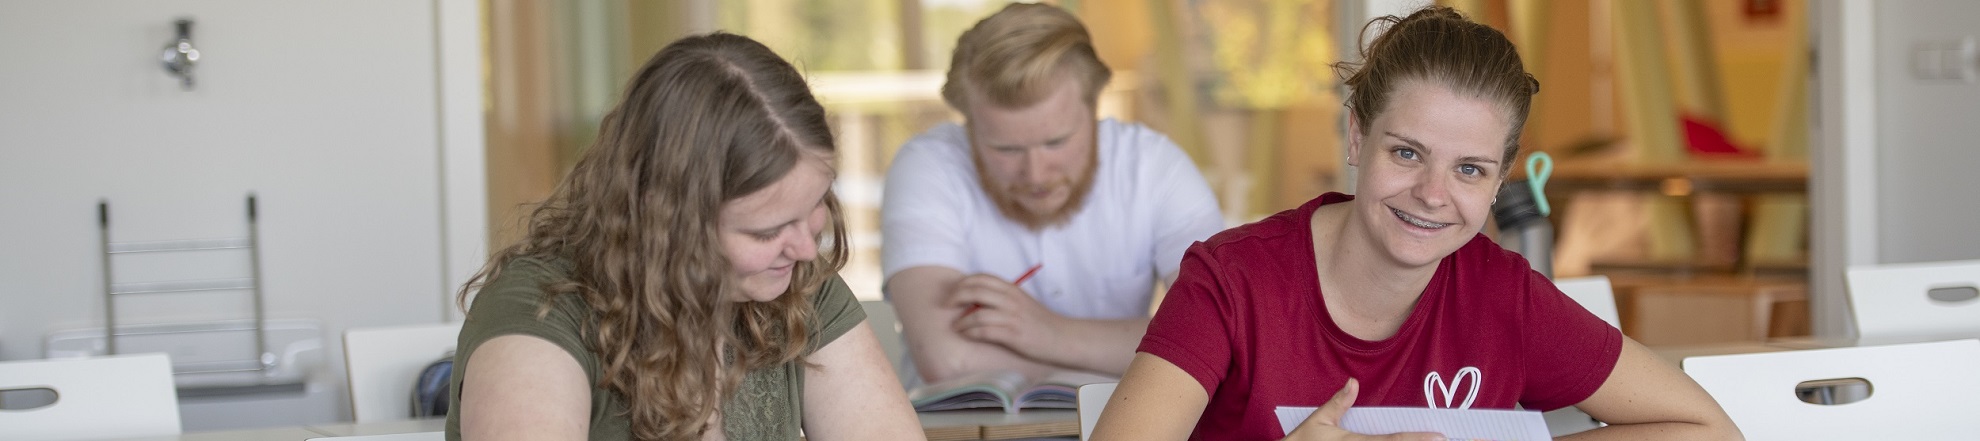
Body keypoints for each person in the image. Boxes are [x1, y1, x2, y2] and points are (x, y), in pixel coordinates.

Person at [1090, 7, 1741, 441]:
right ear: (1356, 136)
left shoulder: (1504, 296)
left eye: (1470, 169)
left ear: (1499, 181)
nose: (1433, 194)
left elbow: (1708, 429)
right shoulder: (1232, 281)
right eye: (1407, 153)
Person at [445, 33, 923, 441]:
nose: (805, 249)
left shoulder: (792, 283)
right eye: (766, 231)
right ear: (667, 222)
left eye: (815, 206)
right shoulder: (540, 313)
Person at [881, 2, 1224, 385]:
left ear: (1094, 107)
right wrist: (1137, 354)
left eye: (1056, 142)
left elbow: (1218, 336)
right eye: (1006, 149)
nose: (1035, 174)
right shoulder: (928, 165)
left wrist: (1051, 332)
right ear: (969, 126)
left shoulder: (1155, 168)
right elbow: (948, 360)